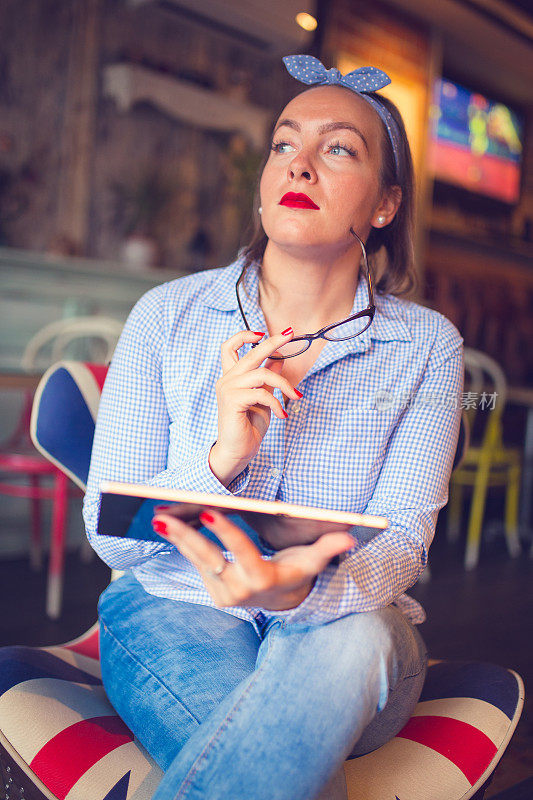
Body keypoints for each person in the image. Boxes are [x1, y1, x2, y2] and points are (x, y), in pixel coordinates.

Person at [83, 55, 464, 800]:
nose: (300, 165)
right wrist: (221, 457)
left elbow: (403, 541)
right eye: (284, 144)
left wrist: (303, 596)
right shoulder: (166, 316)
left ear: (384, 205)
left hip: (350, 625)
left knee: (353, 638)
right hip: (173, 607)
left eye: (338, 149)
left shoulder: (426, 347)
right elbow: (112, 537)